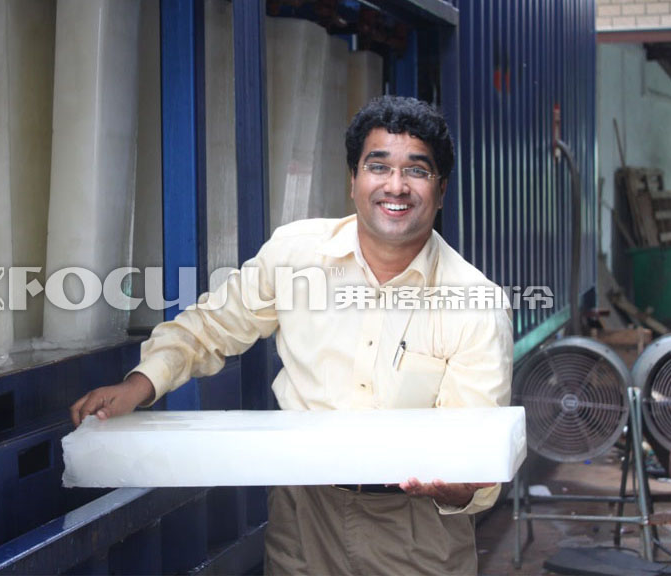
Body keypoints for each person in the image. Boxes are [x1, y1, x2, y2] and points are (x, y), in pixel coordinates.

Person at [71, 96, 513, 575]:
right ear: (353, 180)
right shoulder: (296, 255)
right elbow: (211, 326)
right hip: (303, 515)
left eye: (417, 171)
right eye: (378, 166)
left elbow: (475, 446)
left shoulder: (475, 302)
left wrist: (459, 487)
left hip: (415, 532)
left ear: (441, 190)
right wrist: (138, 385)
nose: (395, 185)